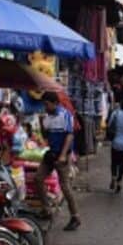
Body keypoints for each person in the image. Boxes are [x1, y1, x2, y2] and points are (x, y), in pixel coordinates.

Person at [36, 91, 81, 231]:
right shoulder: (47, 117)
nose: (45, 107)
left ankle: (75, 217)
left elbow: (69, 136)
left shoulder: (65, 115)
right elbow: (46, 136)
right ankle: (46, 209)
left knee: (65, 186)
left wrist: (62, 156)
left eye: (47, 104)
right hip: (51, 154)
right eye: (44, 104)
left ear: (55, 103)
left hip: (62, 155)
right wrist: (41, 122)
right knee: (38, 178)